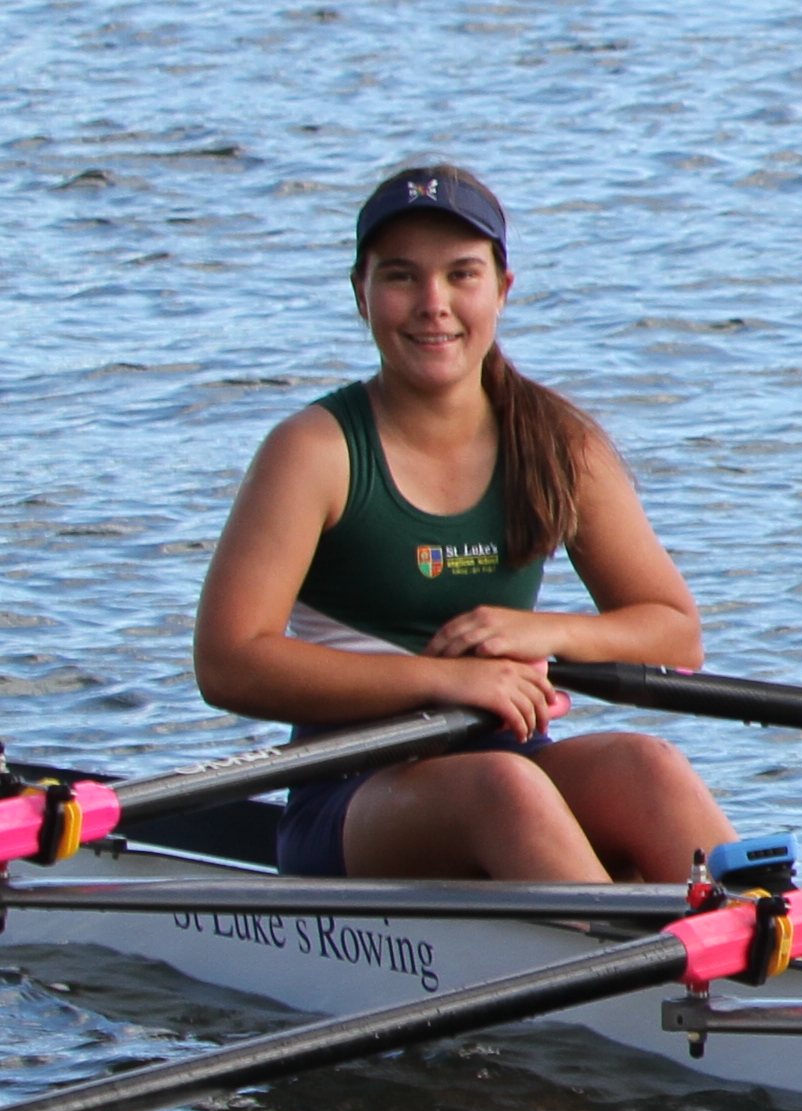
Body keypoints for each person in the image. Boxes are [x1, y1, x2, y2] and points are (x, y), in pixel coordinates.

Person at [193, 163, 732, 883]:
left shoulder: (557, 442)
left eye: (461, 275)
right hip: (350, 791)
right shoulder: (315, 452)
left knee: (646, 763)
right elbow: (227, 662)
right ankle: (639, 972)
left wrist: (547, 632)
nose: (432, 304)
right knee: (502, 791)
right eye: (401, 277)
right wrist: (438, 680)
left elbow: (674, 629)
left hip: (513, 767)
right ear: (361, 294)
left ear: (503, 290)